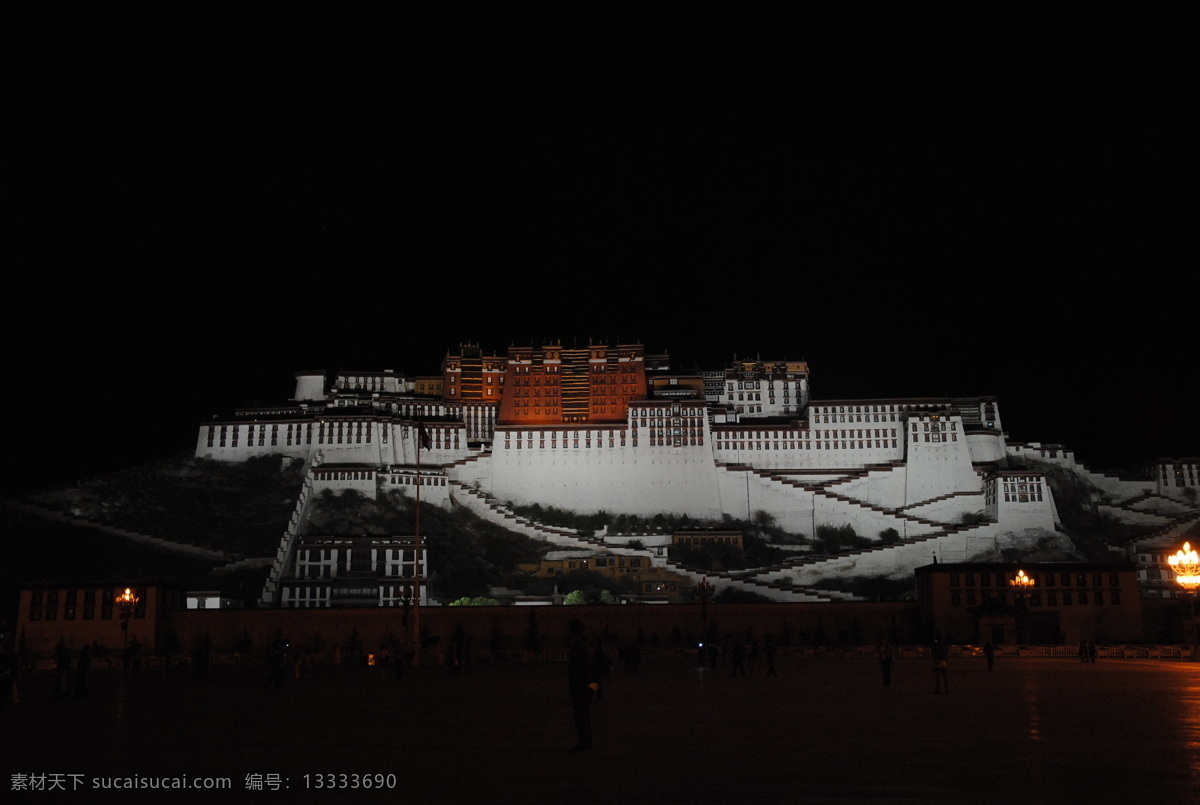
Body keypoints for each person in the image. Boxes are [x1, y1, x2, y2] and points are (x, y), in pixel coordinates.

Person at [567, 619, 599, 752]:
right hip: (582, 687)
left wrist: (587, 686)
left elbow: (583, 669)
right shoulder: (581, 646)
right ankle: (585, 742)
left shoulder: (579, 647)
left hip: (581, 688)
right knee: (582, 716)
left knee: (581, 716)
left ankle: (584, 743)